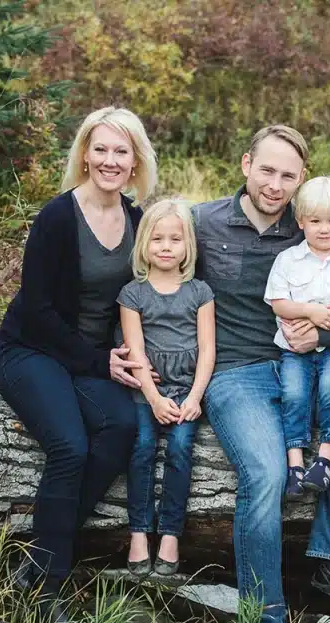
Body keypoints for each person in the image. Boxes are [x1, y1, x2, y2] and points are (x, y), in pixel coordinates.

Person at [191, 125, 330, 623]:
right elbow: (159, 281)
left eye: (288, 175)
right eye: (267, 170)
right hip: (234, 373)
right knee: (266, 472)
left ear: (301, 179)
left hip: (302, 365)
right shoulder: (202, 223)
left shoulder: (311, 223)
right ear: (245, 164)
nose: (275, 185)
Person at [0, 107, 157, 623]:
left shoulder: (136, 221)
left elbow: (139, 301)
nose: (110, 161)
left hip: (92, 359)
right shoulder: (57, 217)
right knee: (70, 446)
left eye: (121, 151)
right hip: (33, 351)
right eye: (101, 149)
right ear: (84, 154)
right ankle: (46, 594)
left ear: (136, 161)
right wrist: (97, 362)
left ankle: (36, 559)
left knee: (120, 430)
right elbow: (37, 310)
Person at [118, 199, 215, 578]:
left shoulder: (200, 292)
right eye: (157, 238)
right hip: (148, 388)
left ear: (187, 246)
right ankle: (139, 532)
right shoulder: (133, 294)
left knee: (179, 448)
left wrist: (194, 397)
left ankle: (171, 533)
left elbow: (208, 349)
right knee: (142, 447)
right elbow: (135, 351)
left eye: (175, 239)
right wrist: (154, 398)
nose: (165, 246)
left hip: (187, 389)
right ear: (144, 243)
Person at [264, 177, 330, 498]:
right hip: (294, 350)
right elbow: (278, 302)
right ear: (301, 222)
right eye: (315, 221)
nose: (324, 229)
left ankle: (325, 458)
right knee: (294, 393)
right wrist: (310, 313)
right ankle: (295, 464)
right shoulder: (288, 260)